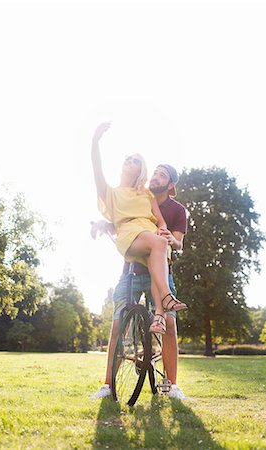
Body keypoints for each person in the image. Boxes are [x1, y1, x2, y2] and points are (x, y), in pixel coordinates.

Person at [90, 156, 188, 400]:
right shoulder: (140, 195)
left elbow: (178, 243)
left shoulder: (177, 210)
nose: (156, 177)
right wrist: (105, 223)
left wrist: (169, 238)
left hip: (161, 273)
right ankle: (107, 384)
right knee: (117, 324)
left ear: (170, 186)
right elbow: (124, 222)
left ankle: (172, 384)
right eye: (155, 173)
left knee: (170, 324)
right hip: (131, 270)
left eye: (162, 175)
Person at [91, 122, 187, 336]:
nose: (130, 161)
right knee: (119, 325)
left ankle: (160, 315)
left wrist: (164, 230)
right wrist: (95, 141)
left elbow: (160, 221)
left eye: (136, 161)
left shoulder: (147, 195)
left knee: (159, 251)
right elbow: (97, 170)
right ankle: (166, 297)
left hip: (152, 241)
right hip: (131, 238)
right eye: (129, 158)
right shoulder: (112, 192)